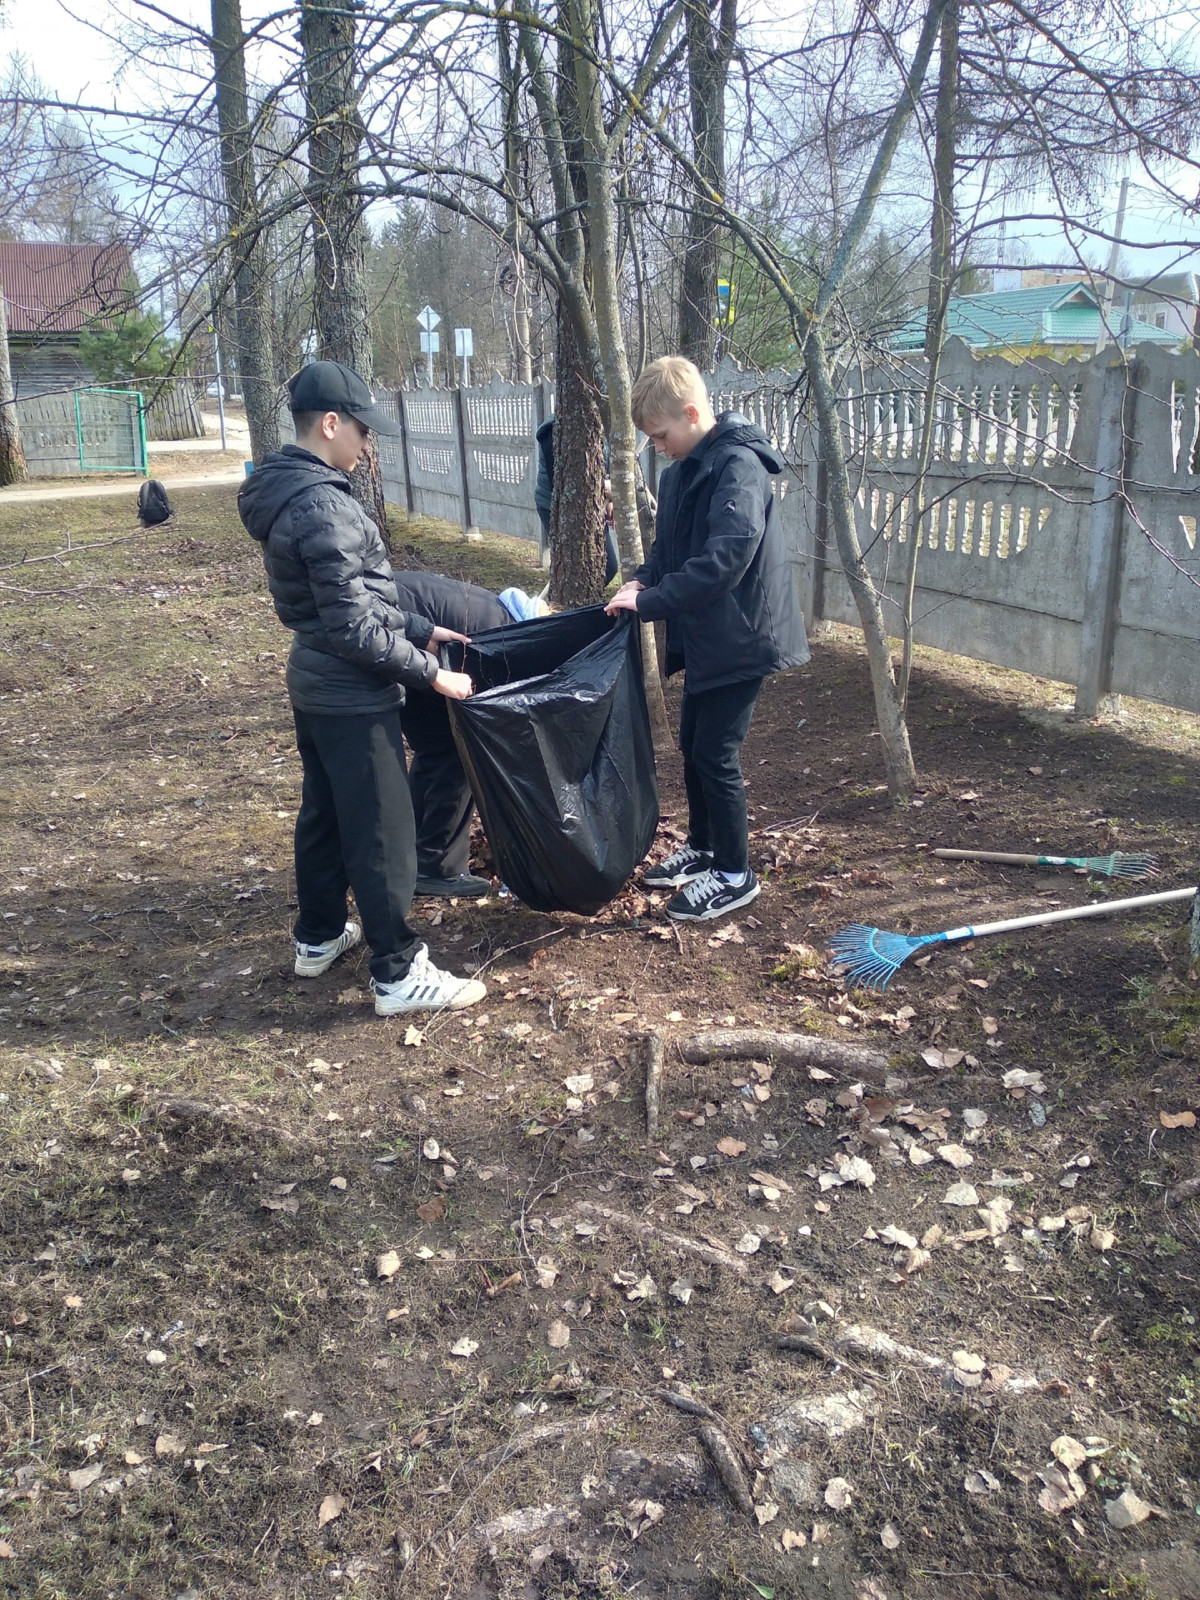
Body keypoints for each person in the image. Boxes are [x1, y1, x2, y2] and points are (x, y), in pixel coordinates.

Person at [238, 359, 488, 1015]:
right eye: (362, 431)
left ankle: (318, 937)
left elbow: (350, 604)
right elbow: (355, 629)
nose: (367, 444)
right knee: (382, 832)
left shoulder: (290, 493)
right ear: (329, 423)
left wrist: (420, 627)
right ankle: (399, 972)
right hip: (352, 694)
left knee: (323, 816)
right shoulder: (324, 505)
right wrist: (433, 673)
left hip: (314, 683)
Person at [606, 355, 809, 923]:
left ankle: (735, 874)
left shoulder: (738, 468)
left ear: (693, 414)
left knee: (715, 753)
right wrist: (642, 580)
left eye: (662, 435)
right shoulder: (681, 474)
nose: (658, 447)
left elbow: (725, 560)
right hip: (707, 635)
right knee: (693, 742)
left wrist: (652, 603)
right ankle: (702, 847)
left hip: (744, 635)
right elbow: (672, 552)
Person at [391, 572, 545, 897]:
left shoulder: (495, 611)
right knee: (461, 752)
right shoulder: (501, 641)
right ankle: (438, 868)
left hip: (393, 637)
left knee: (437, 748)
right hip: (398, 643)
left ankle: (410, 856)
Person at [535, 415, 620, 584]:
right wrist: (608, 489)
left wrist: (609, 500)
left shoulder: (599, 424)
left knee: (607, 567)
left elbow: (603, 465)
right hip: (556, 508)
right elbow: (563, 485)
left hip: (593, 505)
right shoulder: (554, 432)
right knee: (576, 574)